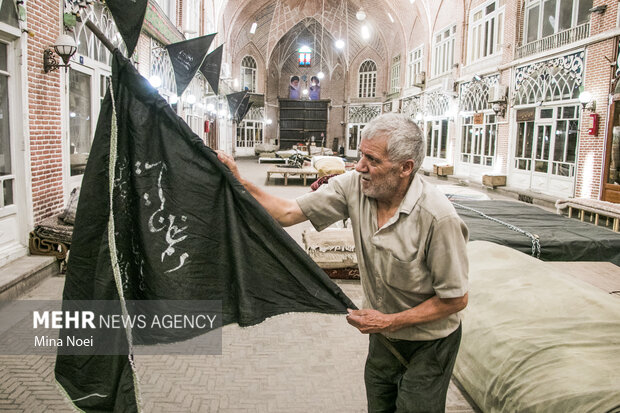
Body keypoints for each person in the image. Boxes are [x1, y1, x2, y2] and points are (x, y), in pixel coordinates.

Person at [216, 113, 468, 412]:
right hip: (384, 336)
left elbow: (455, 299)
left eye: (372, 160)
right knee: (379, 405)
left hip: (430, 343)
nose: (359, 166)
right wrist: (238, 181)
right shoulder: (354, 186)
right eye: (361, 154)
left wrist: (390, 320)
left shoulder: (438, 218)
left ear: (405, 168)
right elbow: (286, 213)